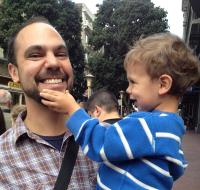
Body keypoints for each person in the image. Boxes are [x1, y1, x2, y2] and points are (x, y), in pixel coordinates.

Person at [40, 32, 200, 190]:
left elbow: (101, 143)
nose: (128, 89)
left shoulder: (148, 125)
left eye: (133, 82)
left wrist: (72, 109)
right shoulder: (171, 126)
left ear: (163, 84)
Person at [0, 16, 97, 189]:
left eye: (61, 54)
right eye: (36, 55)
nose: (53, 62)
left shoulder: (107, 141)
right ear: (14, 72)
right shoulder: (3, 160)